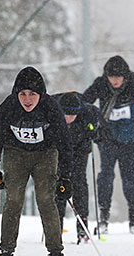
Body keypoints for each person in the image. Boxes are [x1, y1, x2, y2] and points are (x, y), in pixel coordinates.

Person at [0, 66, 73, 256]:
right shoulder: (8, 107)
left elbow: (65, 142)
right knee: (13, 199)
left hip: (45, 154)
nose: (27, 99)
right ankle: (6, 255)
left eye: (32, 94)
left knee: (45, 199)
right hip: (15, 153)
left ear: (40, 94)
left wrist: (65, 177)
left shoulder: (51, 108)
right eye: (23, 94)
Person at [82, 55, 134, 234]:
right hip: (107, 138)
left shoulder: (133, 83)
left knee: (130, 178)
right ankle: (103, 217)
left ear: (125, 76)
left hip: (131, 140)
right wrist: (93, 121)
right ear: (106, 76)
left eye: (118, 77)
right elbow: (84, 102)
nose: (115, 81)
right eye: (111, 77)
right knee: (106, 176)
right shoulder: (100, 84)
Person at [53, 91, 99, 243]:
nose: (68, 118)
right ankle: (55, 225)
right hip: (57, 151)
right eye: (65, 114)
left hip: (79, 151)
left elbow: (103, 131)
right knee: (58, 183)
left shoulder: (89, 113)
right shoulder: (51, 109)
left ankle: (82, 225)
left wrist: (94, 133)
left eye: (72, 115)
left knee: (79, 182)